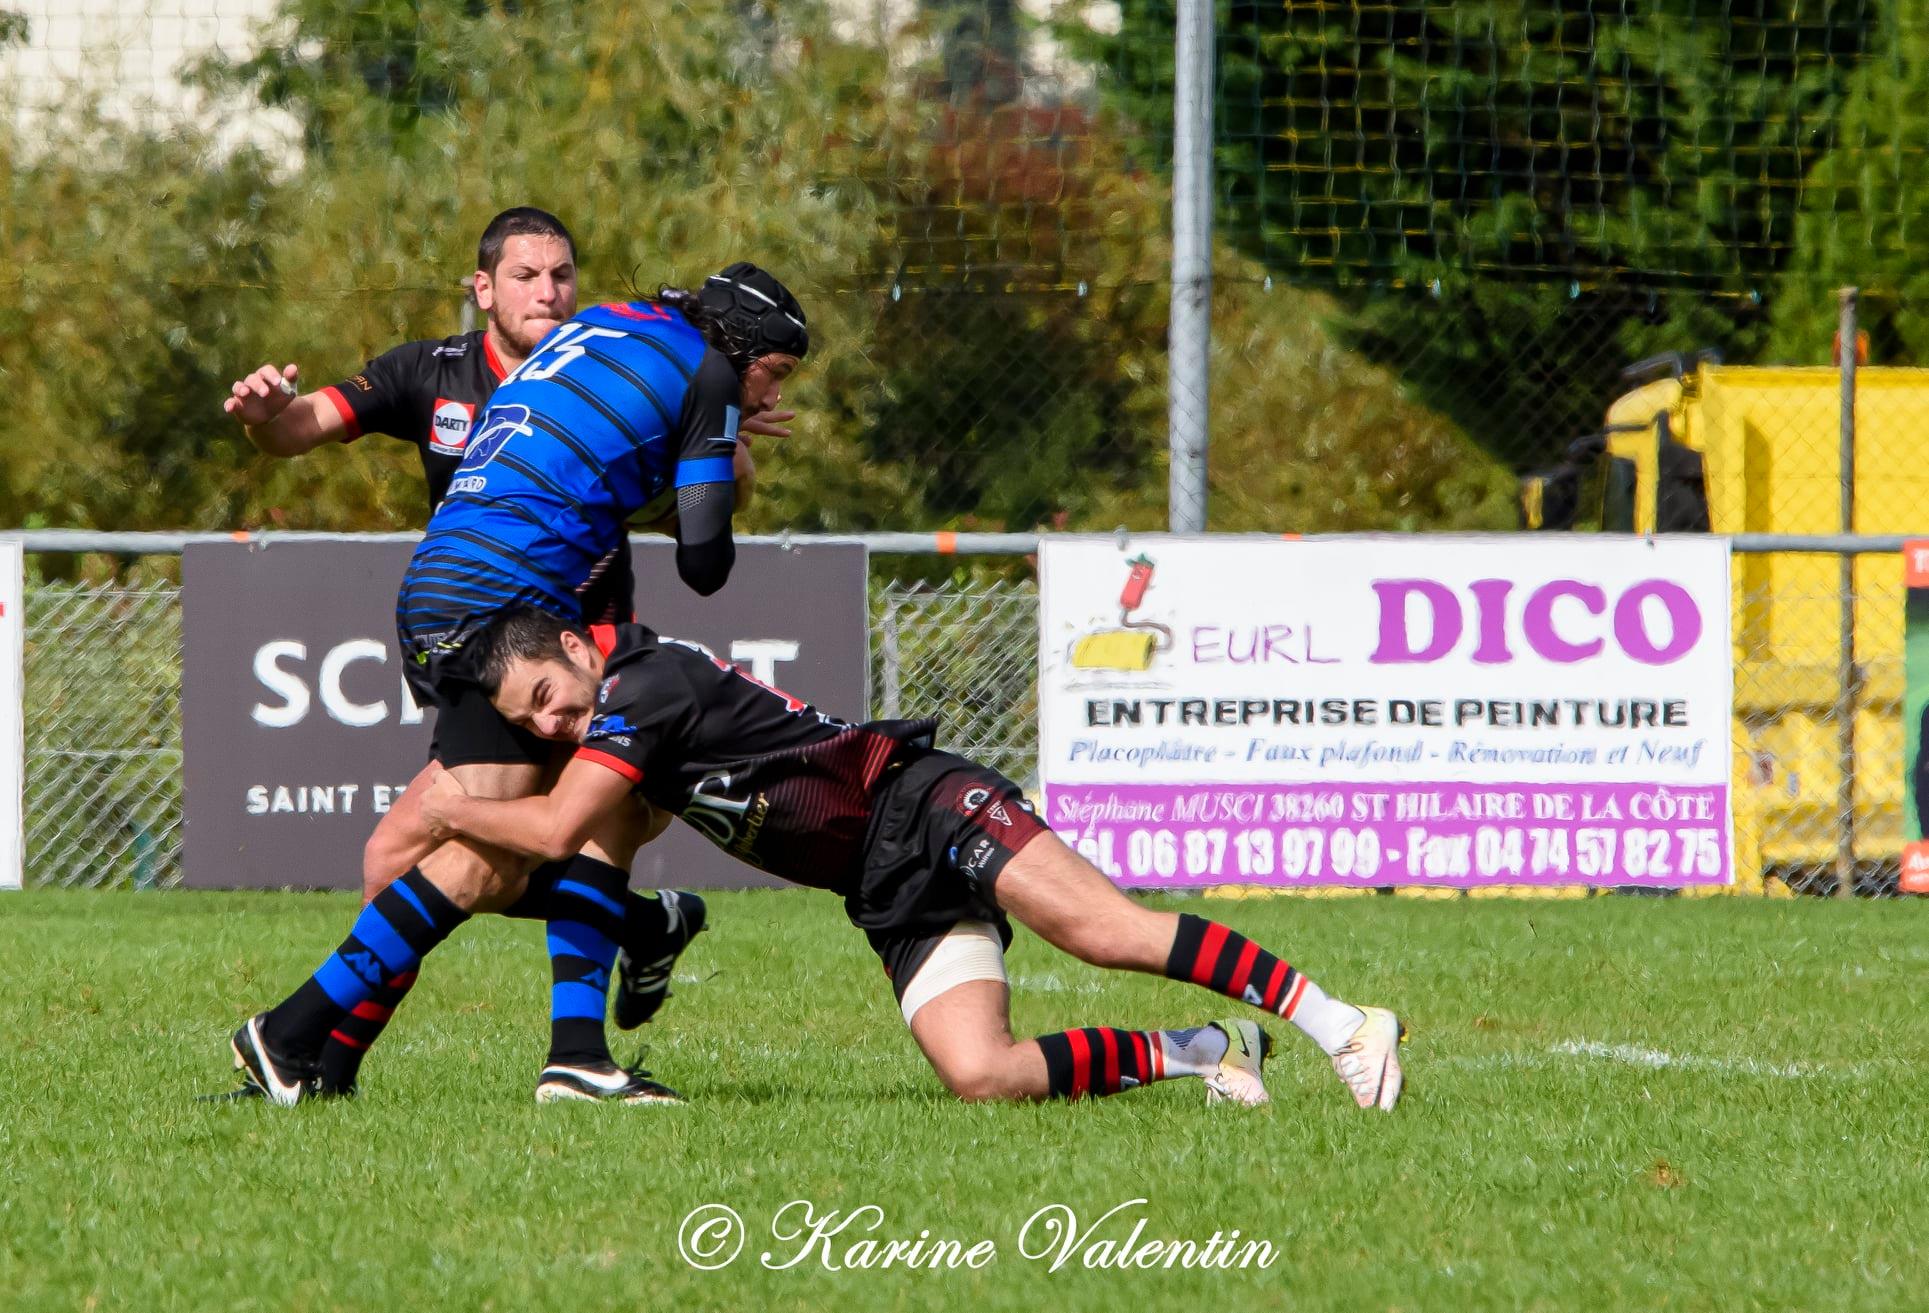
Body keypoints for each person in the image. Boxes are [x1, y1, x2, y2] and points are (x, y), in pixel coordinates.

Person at [411, 608, 1408, 1110]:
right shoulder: (624, 717)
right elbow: (606, 839)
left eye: (549, 689)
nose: (553, 717)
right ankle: (1199, 1048)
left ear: (577, 650)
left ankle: (1344, 1023)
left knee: (1101, 929)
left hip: (919, 799)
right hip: (882, 880)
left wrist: (448, 803)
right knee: (982, 1075)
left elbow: (549, 833)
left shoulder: (641, 682)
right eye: (529, 718)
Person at [226, 265, 814, 1106]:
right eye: (777, 372)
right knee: (511, 848)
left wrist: (693, 426)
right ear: (748, 347)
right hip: (515, 610)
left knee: (506, 830)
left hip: (436, 589)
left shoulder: (602, 323)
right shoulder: (712, 376)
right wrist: (717, 445)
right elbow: (705, 561)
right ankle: (290, 1034)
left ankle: (343, 1067)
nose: (768, 388)